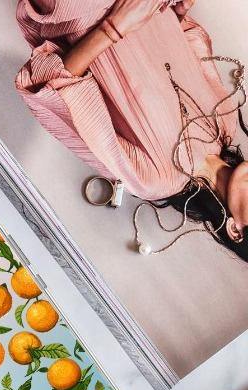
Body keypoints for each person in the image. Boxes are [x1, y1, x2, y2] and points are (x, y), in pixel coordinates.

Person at [15, 0, 248, 258]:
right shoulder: (225, 121)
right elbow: (184, 40)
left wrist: (114, 28)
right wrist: (178, 13)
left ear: (235, 229)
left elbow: (58, 90)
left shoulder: (154, 179)